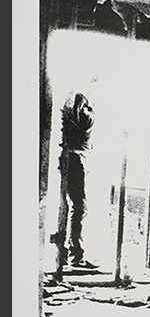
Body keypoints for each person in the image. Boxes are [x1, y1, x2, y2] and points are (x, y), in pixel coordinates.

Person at [51, 92, 97, 275]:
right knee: (79, 207)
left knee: (70, 206)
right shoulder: (83, 112)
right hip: (75, 158)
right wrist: (89, 105)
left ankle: (65, 255)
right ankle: (75, 256)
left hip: (70, 157)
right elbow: (85, 117)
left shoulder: (71, 109)